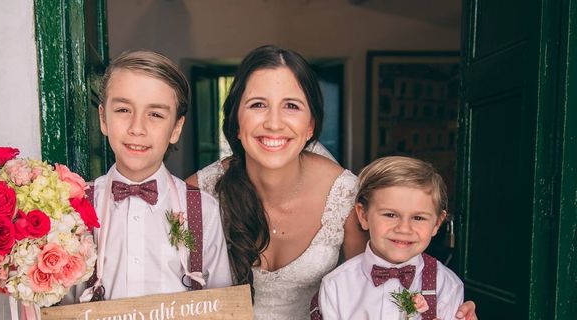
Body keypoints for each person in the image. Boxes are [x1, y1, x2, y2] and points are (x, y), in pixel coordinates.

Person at [187, 45, 477, 320]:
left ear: (311, 124)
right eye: (258, 104)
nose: (274, 123)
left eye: (291, 106)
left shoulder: (343, 194)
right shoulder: (194, 195)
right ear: (236, 121)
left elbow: (373, 290)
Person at [76, 50, 232, 302]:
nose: (137, 128)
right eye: (124, 110)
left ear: (176, 128)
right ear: (103, 118)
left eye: (156, 114)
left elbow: (224, 308)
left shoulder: (203, 210)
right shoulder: (77, 208)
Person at [318, 156, 463, 319]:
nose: (404, 229)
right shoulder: (336, 286)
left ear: (437, 223)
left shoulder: (447, 286)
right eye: (390, 215)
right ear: (364, 216)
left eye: (418, 218)